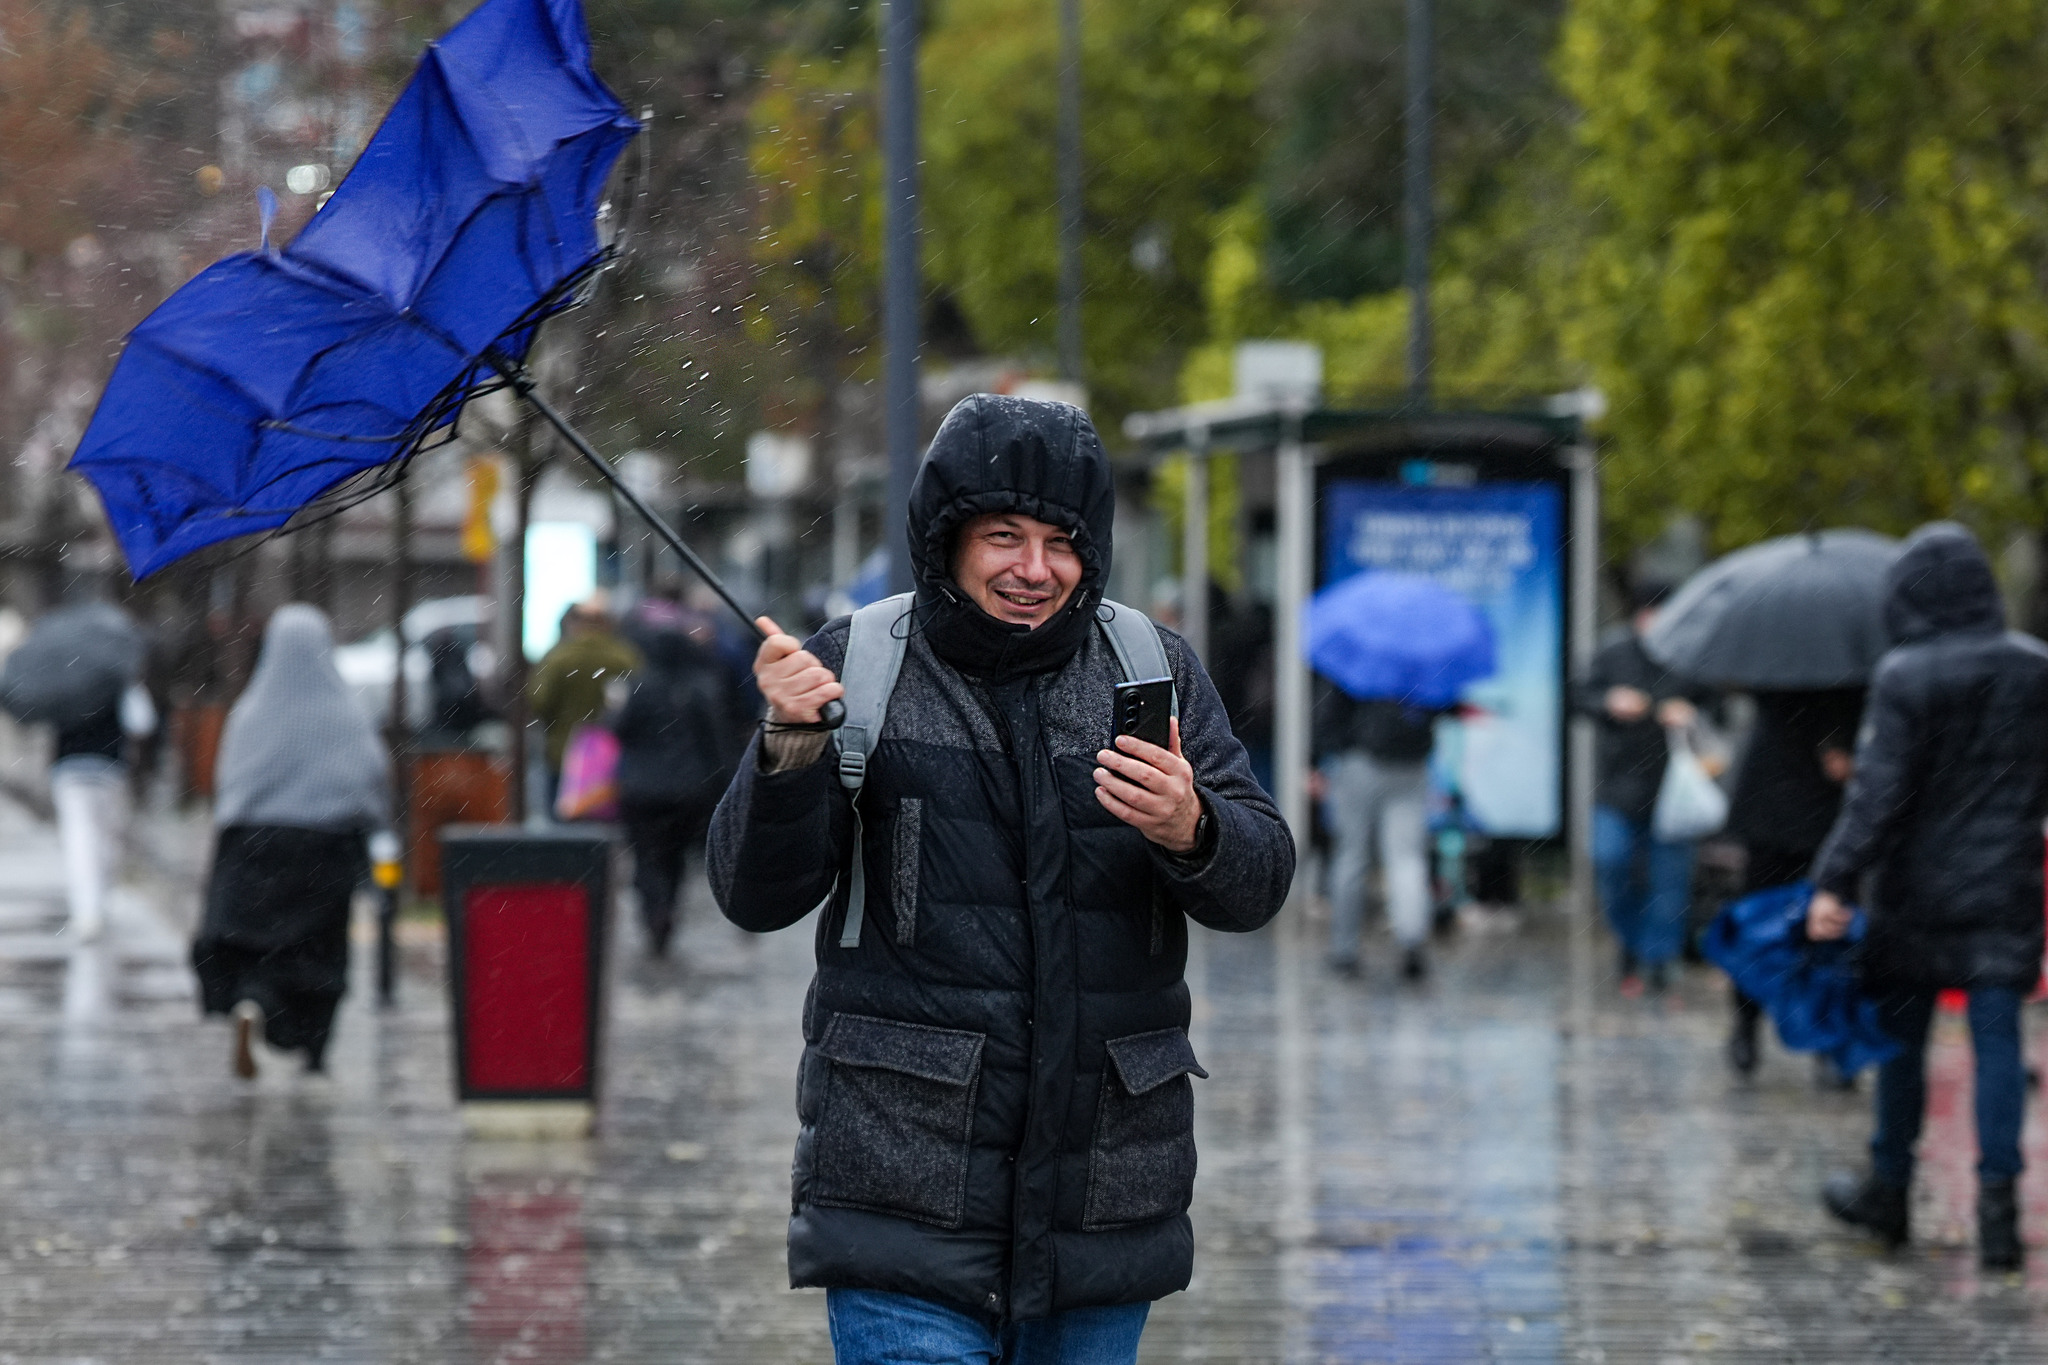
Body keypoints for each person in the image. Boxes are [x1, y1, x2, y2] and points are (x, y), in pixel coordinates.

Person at [708, 394, 1294, 1363]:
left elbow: (1259, 884)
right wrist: (788, 749)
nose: (1034, 569)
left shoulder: (1151, 667)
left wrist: (1193, 827)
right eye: (1003, 537)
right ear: (946, 539)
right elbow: (755, 894)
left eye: (1061, 543)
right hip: (901, 1189)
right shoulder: (856, 664)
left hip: (1101, 1199)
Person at [1807, 523, 2048, 1271]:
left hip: (1915, 890)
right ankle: (1999, 1215)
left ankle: (1890, 1192)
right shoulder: (2034, 667)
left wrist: (1834, 879)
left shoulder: (1904, 675)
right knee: (1999, 1044)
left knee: (1902, 1047)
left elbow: (1877, 798)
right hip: (2005, 884)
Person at [191, 606, 390, 1078]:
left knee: (255, 946)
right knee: (317, 952)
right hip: (324, 849)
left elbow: (229, 785)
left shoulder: (250, 713)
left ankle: (253, 1000)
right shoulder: (346, 714)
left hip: (254, 846)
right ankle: (314, 1051)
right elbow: (370, 777)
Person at [1573, 582, 1707, 995]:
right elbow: (1579, 696)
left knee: (1671, 882)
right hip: (1618, 785)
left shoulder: (1690, 655)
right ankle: (1631, 944)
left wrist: (1690, 713)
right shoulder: (1613, 652)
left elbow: (1714, 702)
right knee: (1611, 863)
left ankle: (1658, 959)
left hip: (1674, 791)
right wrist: (1608, 702)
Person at [1721, 687, 1863, 1073]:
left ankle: (1827, 1040)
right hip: (1774, 812)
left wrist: (1843, 746)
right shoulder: (1777, 678)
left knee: (1829, 934)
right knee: (1759, 927)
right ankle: (1746, 1023)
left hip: (1827, 815)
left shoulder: (1850, 679)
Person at [612, 622, 743, 957]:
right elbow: (716, 743)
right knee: (675, 857)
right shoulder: (701, 687)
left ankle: (653, 908)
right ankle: (667, 906)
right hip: (688, 790)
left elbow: (618, 730)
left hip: (642, 789)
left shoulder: (639, 686)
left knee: (646, 855)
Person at [1313, 685, 1438, 980]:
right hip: (1411, 764)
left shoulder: (1359, 663)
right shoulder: (1423, 665)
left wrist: (1315, 758)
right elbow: (1440, 706)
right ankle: (1411, 940)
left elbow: (1330, 713)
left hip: (1360, 761)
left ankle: (1344, 950)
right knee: (1406, 857)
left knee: (1351, 856)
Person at [528, 597, 641, 806]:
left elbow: (540, 701)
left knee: (564, 816)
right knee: (608, 815)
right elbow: (638, 701)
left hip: (564, 751)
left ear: (574, 623)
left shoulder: (558, 658)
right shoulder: (626, 657)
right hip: (611, 755)